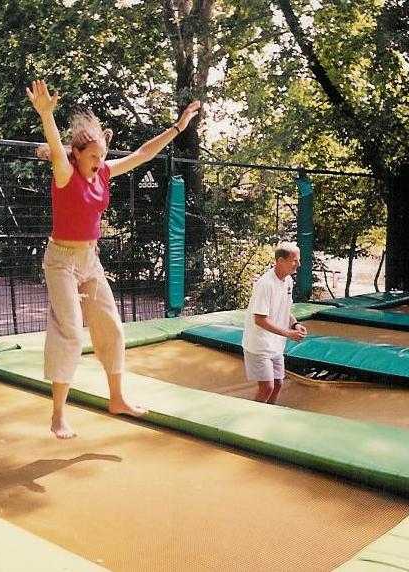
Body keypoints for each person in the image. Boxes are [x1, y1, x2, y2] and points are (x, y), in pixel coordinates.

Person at [26, 79, 201, 438]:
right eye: (93, 156)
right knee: (70, 331)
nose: (100, 162)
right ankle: (59, 414)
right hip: (60, 261)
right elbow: (58, 150)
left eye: (103, 155)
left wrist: (177, 128)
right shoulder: (65, 172)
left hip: (90, 260)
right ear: (76, 155)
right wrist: (47, 115)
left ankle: (117, 399)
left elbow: (142, 155)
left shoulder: (103, 172)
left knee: (112, 328)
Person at [241, 243, 307, 404]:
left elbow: (284, 308)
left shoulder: (288, 281)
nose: (298, 264)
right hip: (259, 345)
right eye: (294, 261)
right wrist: (289, 334)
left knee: (278, 384)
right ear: (280, 261)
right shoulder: (266, 283)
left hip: (276, 345)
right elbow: (259, 319)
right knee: (267, 387)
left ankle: (268, 415)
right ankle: (251, 420)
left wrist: (295, 324)